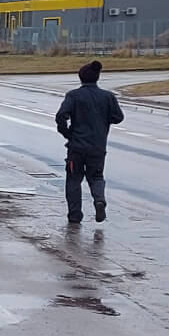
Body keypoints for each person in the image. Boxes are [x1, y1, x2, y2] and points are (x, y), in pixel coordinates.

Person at [56, 59, 125, 224]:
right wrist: (103, 119)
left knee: (74, 179)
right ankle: (99, 200)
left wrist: (67, 133)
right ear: (97, 77)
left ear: (80, 78)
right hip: (98, 147)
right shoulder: (108, 97)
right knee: (96, 176)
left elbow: (61, 116)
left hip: (76, 147)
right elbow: (118, 117)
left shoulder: (73, 95)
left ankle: (74, 215)